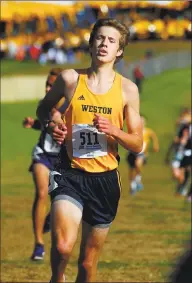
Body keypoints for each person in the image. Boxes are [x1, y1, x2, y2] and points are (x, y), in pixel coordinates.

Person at [37, 18, 143, 283]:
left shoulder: (128, 90)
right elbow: (44, 108)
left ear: (119, 51)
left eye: (111, 40)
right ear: (91, 43)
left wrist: (115, 131)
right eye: (100, 38)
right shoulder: (70, 79)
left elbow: (138, 143)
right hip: (69, 174)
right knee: (62, 246)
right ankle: (56, 278)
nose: (104, 44)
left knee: (87, 263)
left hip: (104, 181)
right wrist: (52, 124)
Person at [23, 68, 68, 261]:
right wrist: (33, 123)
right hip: (42, 154)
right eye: (47, 85)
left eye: (52, 85)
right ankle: (39, 244)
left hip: (62, 160)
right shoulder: (44, 106)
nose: (48, 88)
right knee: (42, 193)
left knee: (60, 201)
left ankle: (49, 220)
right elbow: (44, 125)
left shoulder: (71, 106)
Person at [126, 115, 159, 195]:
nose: (141, 123)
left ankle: (138, 179)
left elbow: (154, 138)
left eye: (142, 121)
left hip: (142, 154)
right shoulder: (133, 131)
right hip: (132, 153)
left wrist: (155, 145)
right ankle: (133, 186)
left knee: (138, 164)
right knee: (131, 170)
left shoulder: (148, 131)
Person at [165, 107, 191, 197]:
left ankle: (182, 188)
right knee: (176, 174)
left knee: (185, 172)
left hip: (187, 154)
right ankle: (181, 186)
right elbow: (176, 139)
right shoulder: (183, 127)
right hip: (179, 152)